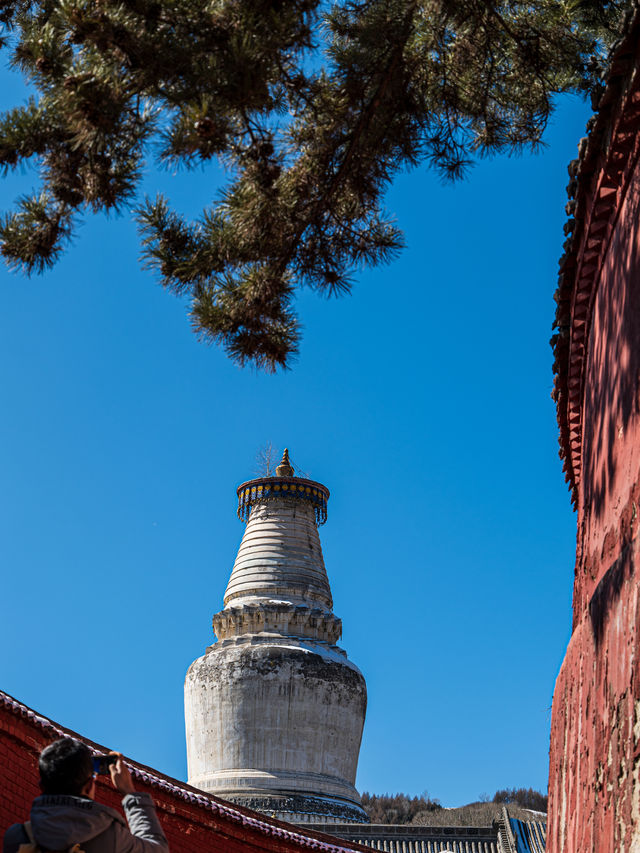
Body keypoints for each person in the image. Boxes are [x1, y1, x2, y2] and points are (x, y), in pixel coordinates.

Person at [3, 737, 169, 853]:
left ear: (42, 785)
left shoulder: (17, 837)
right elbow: (158, 849)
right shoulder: (112, 838)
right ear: (89, 785)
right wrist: (129, 793)